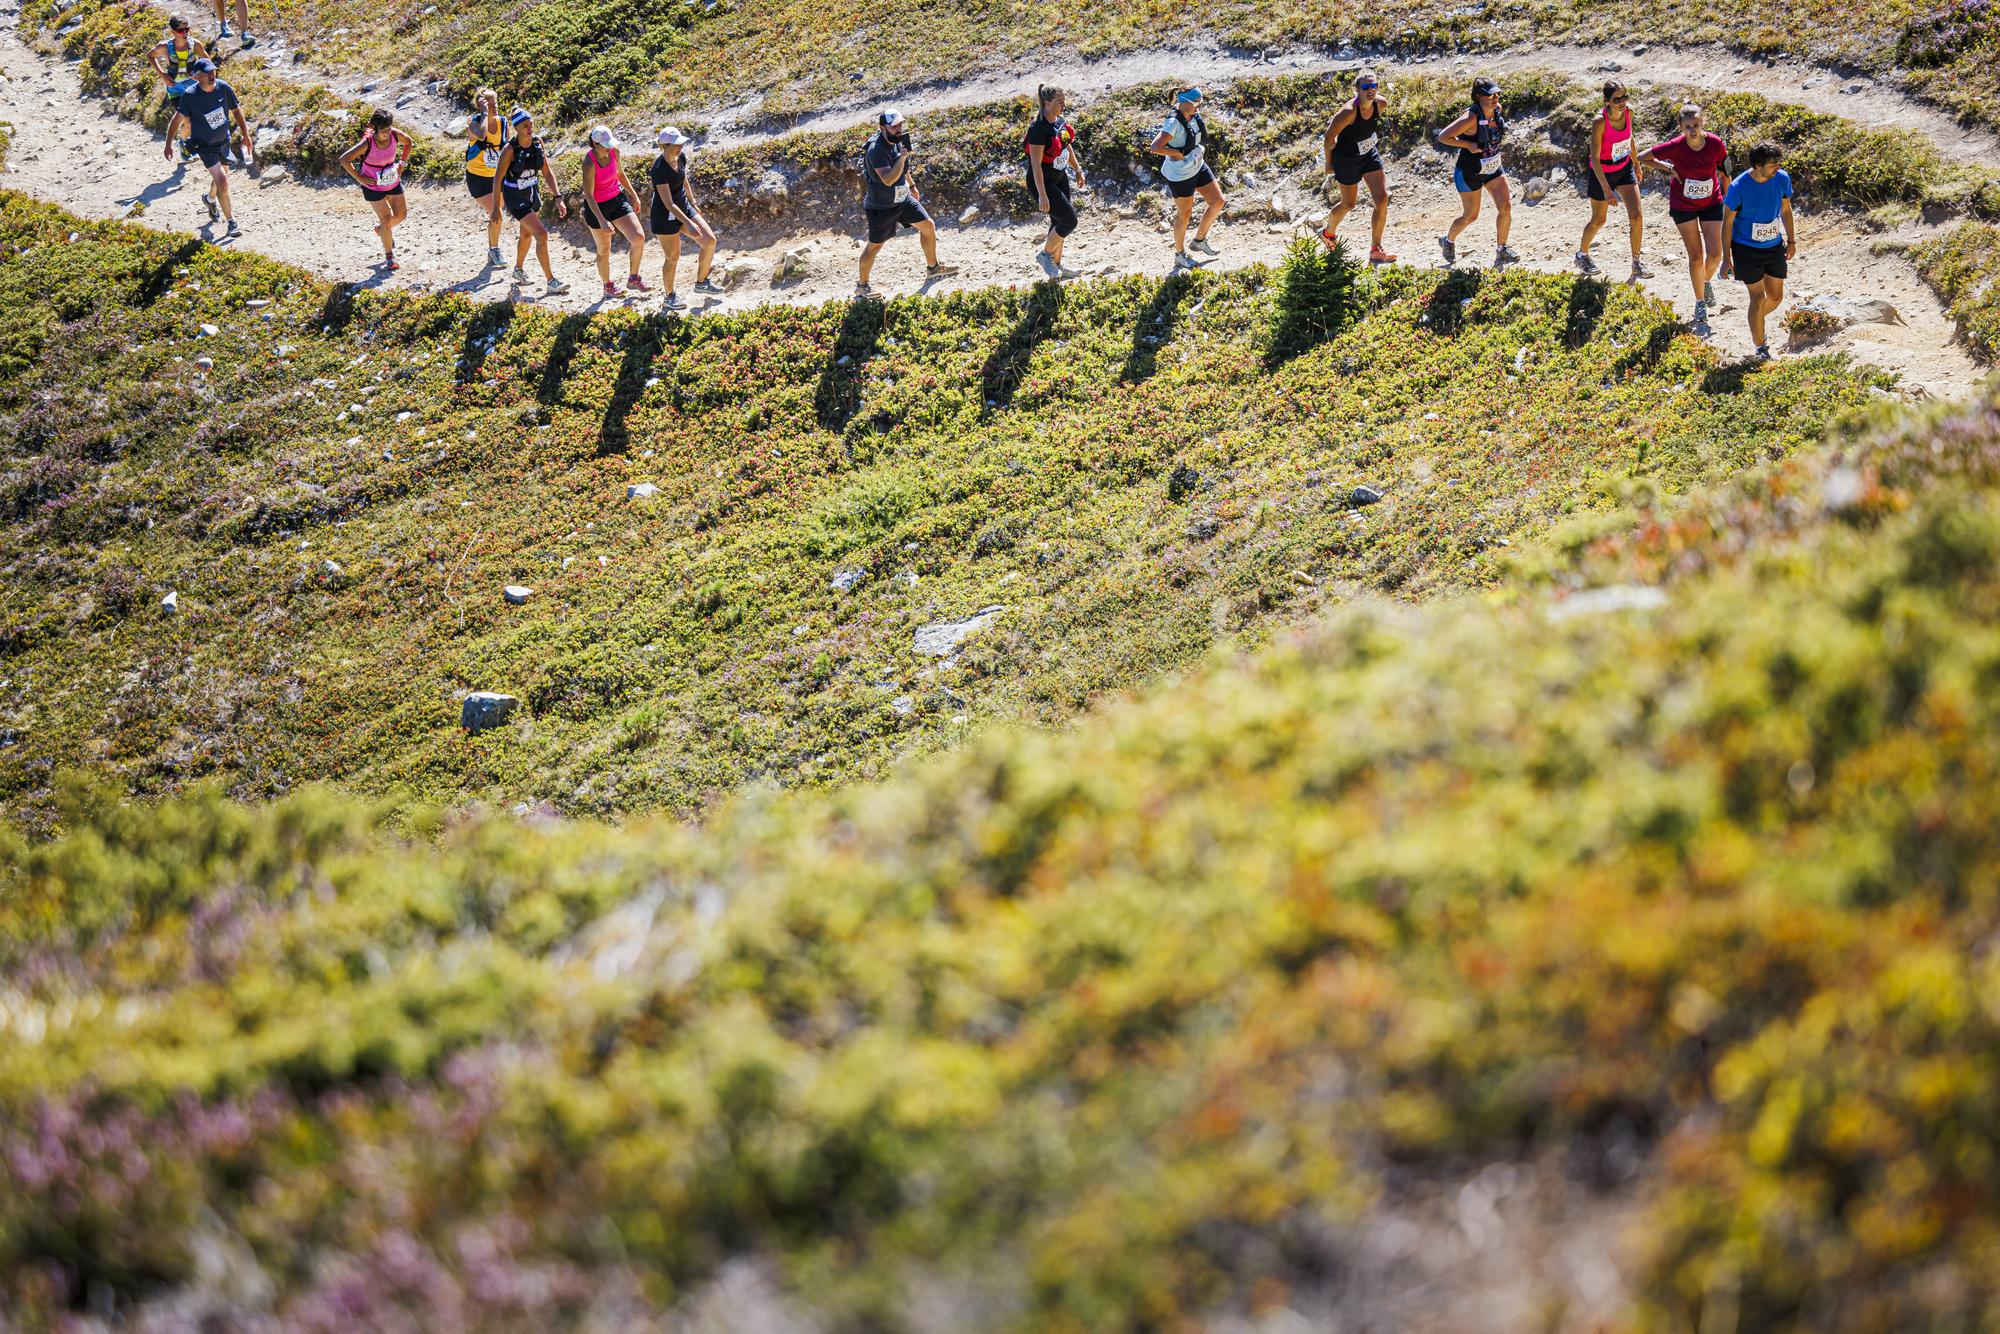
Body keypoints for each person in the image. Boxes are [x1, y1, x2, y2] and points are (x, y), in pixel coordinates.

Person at [856, 110, 959, 295]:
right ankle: (862, 288)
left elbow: (902, 168)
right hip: (881, 206)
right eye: (894, 126)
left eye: (900, 125)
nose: (899, 129)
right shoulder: (875, 150)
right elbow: (888, 178)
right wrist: (902, 157)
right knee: (875, 246)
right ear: (882, 128)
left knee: (928, 226)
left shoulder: (897, 141)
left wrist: (912, 185)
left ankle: (933, 268)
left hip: (902, 198)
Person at [1648, 103, 1730, 330]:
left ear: (1702, 123)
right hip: (1683, 204)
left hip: (1711, 201)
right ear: (1681, 127)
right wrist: (1667, 167)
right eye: (1687, 127)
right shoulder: (1676, 146)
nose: (1692, 130)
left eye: (1696, 125)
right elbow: (1644, 157)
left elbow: (1725, 170)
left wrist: (1729, 198)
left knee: (1715, 254)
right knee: (1696, 255)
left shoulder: (1715, 144)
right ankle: (1700, 301)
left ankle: (1705, 282)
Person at [1720, 141, 1796, 360]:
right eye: (1773, 164)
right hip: (1746, 249)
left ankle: (1756, 322)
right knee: (1757, 297)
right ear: (1757, 165)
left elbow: (1785, 210)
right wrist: (1727, 259)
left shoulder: (1781, 178)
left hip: (1773, 245)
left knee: (1776, 296)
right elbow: (1727, 224)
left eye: (1778, 163)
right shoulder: (1738, 187)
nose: (1777, 167)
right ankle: (1761, 346)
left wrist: (1791, 241)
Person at [162, 58, 252, 237]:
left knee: (221, 180)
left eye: (213, 71)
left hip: (223, 141)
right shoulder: (190, 95)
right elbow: (177, 119)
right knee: (223, 181)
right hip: (205, 146)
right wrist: (168, 144)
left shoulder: (223, 87)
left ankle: (210, 199)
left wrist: (246, 136)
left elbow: (236, 110)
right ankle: (231, 222)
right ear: (196, 77)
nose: (212, 75)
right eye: (206, 73)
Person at [1436, 77, 1518, 268]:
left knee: (1505, 207)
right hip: (1469, 172)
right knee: (1471, 216)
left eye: (1497, 94)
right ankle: (1448, 240)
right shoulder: (1471, 117)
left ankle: (1502, 249)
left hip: (1492, 168)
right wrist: (1467, 144)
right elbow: (1443, 136)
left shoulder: (1497, 110)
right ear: (1478, 96)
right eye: (1490, 95)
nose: (1494, 98)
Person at [490, 107, 570, 296]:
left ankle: (518, 269)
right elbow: (497, 179)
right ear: (516, 128)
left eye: (531, 124)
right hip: (515, 196)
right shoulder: (510, 149)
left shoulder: (537, 143)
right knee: (541, 234)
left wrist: (558, 197)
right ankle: (551, 281)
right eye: (525, 125)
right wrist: (496, 208)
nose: (529, 128)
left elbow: (547, 172)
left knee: (526, 235)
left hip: (532, 194)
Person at [1319, 69, 1395, 264]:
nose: (1371, 90)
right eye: (1366, 87)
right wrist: (1329, 162)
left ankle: (1376, 249)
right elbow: (1329, 137)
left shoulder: (1381, 103)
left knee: (1382, 198)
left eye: (1374, 86)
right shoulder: (1348, 112)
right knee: (1349, 204)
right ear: (1357, 89)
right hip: (1347, 159)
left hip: (1369, 154)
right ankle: (1328, 233)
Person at [1576, 82, 1650, 282]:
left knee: (1636, 216)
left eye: (1625, 96)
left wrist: (1636, 164)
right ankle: (1582, 254)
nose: (1623, 102)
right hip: (1602, 173)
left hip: (1623, 168)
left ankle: (1636, 263)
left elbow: (1630, 139)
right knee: (1599, 220)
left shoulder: (1629, 112)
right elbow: (1595, 157)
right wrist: (1607, 190)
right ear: (1606, 101)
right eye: (1617, 99)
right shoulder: (1600, 121)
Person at [1151, 87, 1226, 270]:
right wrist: (1176, 153)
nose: (1198, 107)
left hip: (1197, 164)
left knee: (1218, 202)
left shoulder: (1192, 113)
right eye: (1195, 103)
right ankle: (1180, 254)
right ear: (1183, 102)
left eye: (1200, 103)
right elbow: (1155, 147)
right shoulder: (1173, 123)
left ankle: (1199, 240)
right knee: (1185, 214)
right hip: (1180, 174)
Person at [647, 126, 721, 312]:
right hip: (665, 215)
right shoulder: (658, 170)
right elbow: (668, 203)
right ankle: (669, 297)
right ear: (664, 145)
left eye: (681, 143)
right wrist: (689, 223)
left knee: (710, 241)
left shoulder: (680, 157)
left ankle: (702, 282)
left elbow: (683, 179)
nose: (680, 146)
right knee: (672, 257)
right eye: (676, 144)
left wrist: (693, 202)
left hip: (684, 207)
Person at [1024, 84, 1086, 281]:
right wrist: (1042, 193)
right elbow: (1035, 165)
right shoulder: (1038, 130)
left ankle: (1057, 268)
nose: (1063, 105)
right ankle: (1045, 256)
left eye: (1064, 101)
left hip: (1060, 177)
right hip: (1042, 182)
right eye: (1059, 102)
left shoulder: (1059, 121)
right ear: (1047, 103)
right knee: (1069, 221)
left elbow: (1067, 147)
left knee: (1058, 222)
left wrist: (1077, 169)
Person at [580, 126, 648, 298]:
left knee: (638, 237)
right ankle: (607, 286)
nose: (608, 147)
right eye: (604, 145)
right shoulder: (589, 162)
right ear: (594, 143)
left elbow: (620, 174)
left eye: (609, 143)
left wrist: (633, 195)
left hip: (616, 200)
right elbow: (588, 194)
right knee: (604, 249)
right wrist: (602, 220)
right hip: (596, 207)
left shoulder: (614, 152)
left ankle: (633, 278)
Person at [339, 110, 411, 271]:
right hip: (372, 184)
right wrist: (360, 178)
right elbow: (344, 160)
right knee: (385, 219)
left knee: (401, 215)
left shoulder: (395, 135)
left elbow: (409, 142)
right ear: (375, 128)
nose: (387, 132)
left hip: (391, 180)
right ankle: (389, 256)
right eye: (383, 130)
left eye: (389, 128)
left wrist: (402, 163)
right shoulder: (368, 143)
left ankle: (381, 230)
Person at [149, 16, 208, 163]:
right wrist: (163, 75)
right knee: (188, 121)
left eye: (187, 29)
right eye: (181, 30)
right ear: (173, 31)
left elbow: (207, 62)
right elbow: (150, 56)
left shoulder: (195, 45)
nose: (185, 33)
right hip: (175, 88)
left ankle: (185, 140)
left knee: (193, 122)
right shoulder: (165, 47)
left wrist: (200, 75)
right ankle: (184, 145)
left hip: (193, 87)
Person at [463, 89, 506, 268]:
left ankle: (491, 249)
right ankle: (495, 249)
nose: (494, 106)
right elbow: (481, 135)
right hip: (478, 178)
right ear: (481, 106)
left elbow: (507, 148)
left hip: (497, 177)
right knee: (497, 213)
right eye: (489, 103)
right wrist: (484, 115)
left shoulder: (503, 122)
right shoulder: (473, 125)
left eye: (495, 102)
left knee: (496, 215)